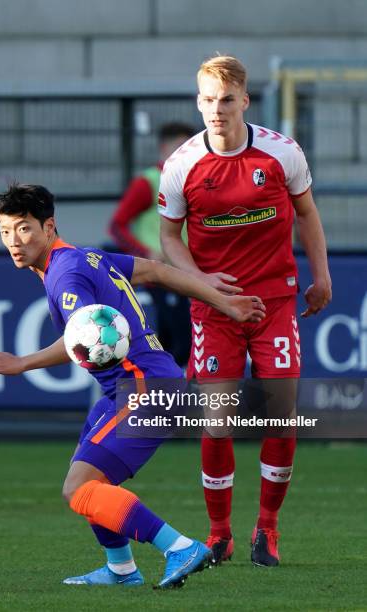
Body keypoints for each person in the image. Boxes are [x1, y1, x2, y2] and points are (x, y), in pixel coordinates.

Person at [0, 182, 266, 588]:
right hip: (135, 388)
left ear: (48, 227)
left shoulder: (65, 274)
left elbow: (82, 334)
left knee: (78, 489)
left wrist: (23, 362)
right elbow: (155, 270)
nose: (13, 241)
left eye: (23, 229)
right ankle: (121, 570)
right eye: (6, 231)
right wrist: (221, 300)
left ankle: (179, 547)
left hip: (145, 390)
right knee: (92, 481)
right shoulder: (85, 257)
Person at [159, 55, 332, 567]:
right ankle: (219, 534)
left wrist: (321, 275)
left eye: (227, 100)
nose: (217, 109)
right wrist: (202, 282)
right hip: (214, 309)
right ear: (198, 101)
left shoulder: (281, 153)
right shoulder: (182, 165)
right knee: (217, 422)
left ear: (244, 101)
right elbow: (170, 235)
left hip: (275, 301)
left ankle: (268, 530)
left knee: (281, 417)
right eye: (208, 100)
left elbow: (306, 212)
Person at [109, 122, 195, 366]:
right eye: (179, 146)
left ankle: (164, 400)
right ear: (163, 148)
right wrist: (145, 252)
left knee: (174, 346)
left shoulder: (196, 182)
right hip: (159, 277)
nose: (185, 153)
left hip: (187, 273)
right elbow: (117, 226)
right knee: (179, 344)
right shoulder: (148, 182)